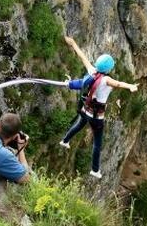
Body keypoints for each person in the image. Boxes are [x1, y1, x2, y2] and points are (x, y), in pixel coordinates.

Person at [59, 37, 138, 179]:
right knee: (97, 143)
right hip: (96, 117)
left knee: (79, 125)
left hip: (85, 109)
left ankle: (65, 141)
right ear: (108, 69)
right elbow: (119, 84)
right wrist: (131, 86)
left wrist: (73, 43)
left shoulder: (91, 71)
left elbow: (82, 56)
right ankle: (95, 170)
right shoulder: (106, 80)